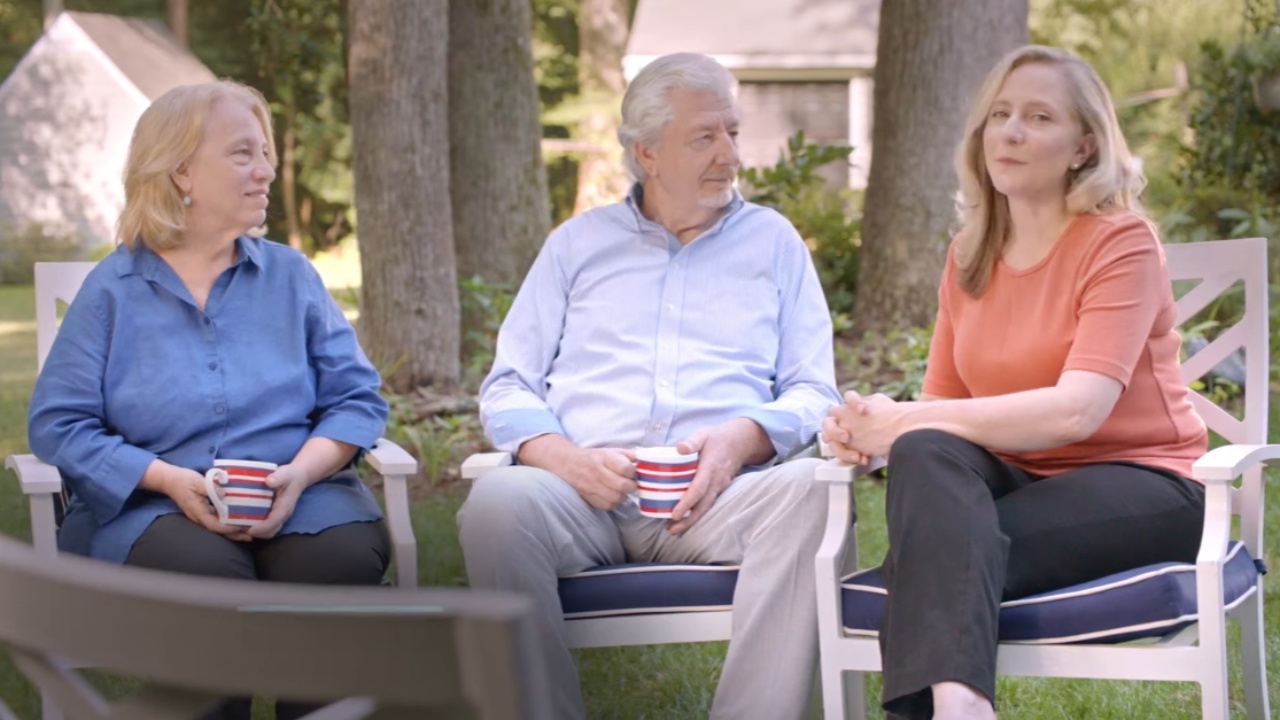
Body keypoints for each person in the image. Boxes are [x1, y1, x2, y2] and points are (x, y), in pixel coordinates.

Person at [822, 45, 1207, 720]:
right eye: (1000, 114)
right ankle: (962, 705)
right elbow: (942, 414)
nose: (1011, 132)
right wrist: (873, 430)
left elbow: (1077, 413)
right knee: (923, 452)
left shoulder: (1120, 243)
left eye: (1039, 117)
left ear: (1085, 146)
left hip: (1144, 485)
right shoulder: (968, 256)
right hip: (1015, 481)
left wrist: (902, 420)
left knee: (934, 550)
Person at [457, 52, 840, 720]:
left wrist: (743, 438)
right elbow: (509, 385)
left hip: (720, 497)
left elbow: (815, 391)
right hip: (581, 498)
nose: (729, 155)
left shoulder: (774, 243)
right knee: (496, 505)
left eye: (732, 133)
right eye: (705, 137)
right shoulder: (577, 245)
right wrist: (565, 460)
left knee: (811, 488)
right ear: (647, 152)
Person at [26, 80, 391, 720]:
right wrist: (168, 479)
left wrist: (300, 474)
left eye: (265, 153)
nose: (266, 170)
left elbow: (357, 399)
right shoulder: (111, 290)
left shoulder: (292, 277)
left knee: (333, 568)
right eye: (244, 153)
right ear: (182, 171)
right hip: (151, 510)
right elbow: (58, 424)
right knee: (206, 583)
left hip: (302, 494)